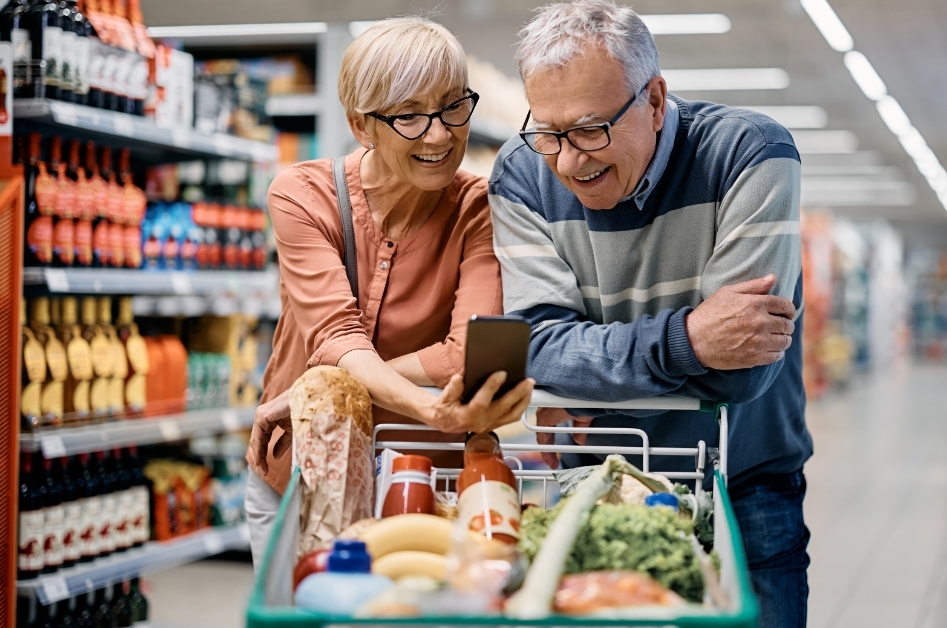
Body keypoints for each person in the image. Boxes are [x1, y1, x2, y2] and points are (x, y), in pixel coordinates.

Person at [488, 2, 809, 625]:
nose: (568, 161)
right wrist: (689, 340)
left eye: (589, 130)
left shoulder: (751, 153)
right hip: (594, 488)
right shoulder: (522, 174)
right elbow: (538, 350)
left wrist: (591, 375)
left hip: (741, 485)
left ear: (655, 100)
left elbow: (741, 376)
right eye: (548, 132)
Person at [243, 17, 534, 567]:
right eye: (409, 116)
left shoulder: (482, 208)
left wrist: (319, 389)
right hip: (302, 474)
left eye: (453, 106)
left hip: (425, 490)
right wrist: (426, 405)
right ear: (361, 126)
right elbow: (337, 338)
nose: (441, 134)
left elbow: (466, 352)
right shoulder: (303, 196)